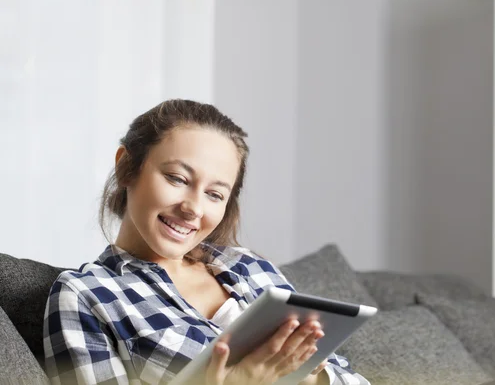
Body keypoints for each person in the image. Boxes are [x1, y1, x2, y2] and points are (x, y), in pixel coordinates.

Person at [43, 99, 370, 385]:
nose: (193, 209)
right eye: (177, 179)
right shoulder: (85, 295)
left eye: (215, 194)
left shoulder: (250, 267)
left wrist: (309, 377)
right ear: (127, 167)